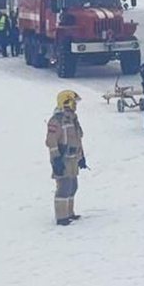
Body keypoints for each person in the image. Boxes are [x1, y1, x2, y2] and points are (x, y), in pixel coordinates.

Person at [45, 90, 87, 226]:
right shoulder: (56, 120)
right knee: (64, 187)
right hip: (62, 159)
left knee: (73, 186)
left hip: (73, 158)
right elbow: (51, 141)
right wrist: (56, 159)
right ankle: (61, 217)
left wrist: (82, 157)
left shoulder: (73, 119)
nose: (75, 105)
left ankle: (69, 213)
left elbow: (77, 139)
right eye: (74, 102)